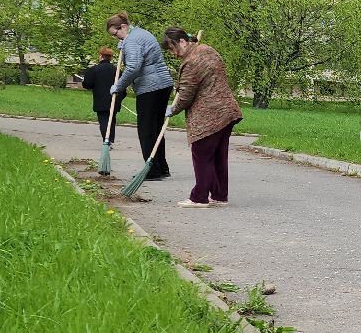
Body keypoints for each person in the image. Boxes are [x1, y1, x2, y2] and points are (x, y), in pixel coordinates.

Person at [161, 28, 243, 208]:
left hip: (208, 115)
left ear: (182, 41)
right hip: (227, 110)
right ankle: (220, 196)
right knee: (218, 156)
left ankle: (199, 197)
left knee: (202, 155)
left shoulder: (191, 62)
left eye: (172, 48)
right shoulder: (208, 50)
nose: (173, 54)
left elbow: (186, 96)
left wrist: (173, 109)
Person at [105, 12, 174, 179]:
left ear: (123, 27)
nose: (117, 38)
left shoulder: (132, 40)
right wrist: (124, 44)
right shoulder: (141, 34)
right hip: (164, 84)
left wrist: (119, 86)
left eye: (116, 34)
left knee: (146, 129)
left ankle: (152, 171)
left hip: (150, 87)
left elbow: (133, 68)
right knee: (156, 129)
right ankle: (161, 167)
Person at [78, 46, 120, 146]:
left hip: (100, 100)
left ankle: (106, 140)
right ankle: (110, 139)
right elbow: (122, 84)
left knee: (103, 120)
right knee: (112, 119)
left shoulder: (94, 69)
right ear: (110, 58)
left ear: (101, 56)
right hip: (114, 99)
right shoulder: (116, 70)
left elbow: (87, 84)